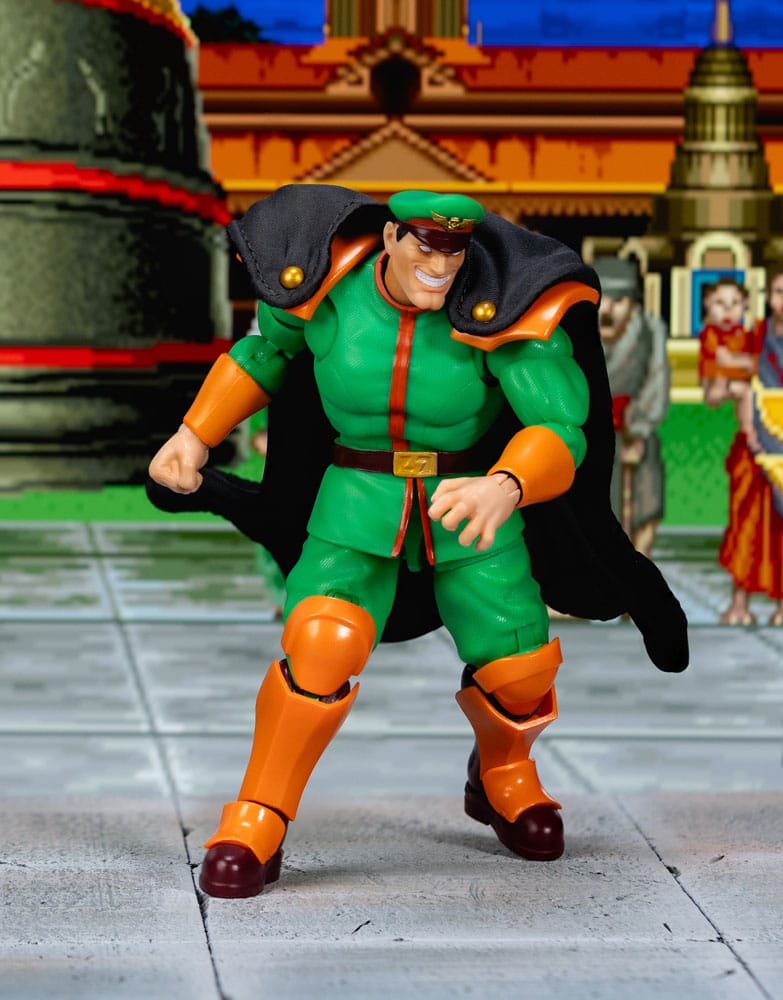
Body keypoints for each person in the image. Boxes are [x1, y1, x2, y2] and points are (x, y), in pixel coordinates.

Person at [148, 184, 688, 899]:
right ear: (391, 239)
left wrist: (507, 485)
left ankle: (502, 772)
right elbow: (263, 356)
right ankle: (258, 813)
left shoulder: (500, 306)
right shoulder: (327, 291)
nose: (441, 265)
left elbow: (559, 427)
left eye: (454, 250)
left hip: (468, 509)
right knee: (321, 644)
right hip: (356, 507)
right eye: (426, 247)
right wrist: (194, 433)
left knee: (521, 669)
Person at [592, 256, 670, 559]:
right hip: (589, 433)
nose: (608, 310)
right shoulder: (576, 331)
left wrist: (638, 428)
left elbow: (656, 379)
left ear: (633, 304)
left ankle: (638, 569)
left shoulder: (650, 330)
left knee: (643, 504)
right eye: (603, 301)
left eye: (619, 301)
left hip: (634, 429)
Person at [718, 266, 783, 625]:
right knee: (746, 524)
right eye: (779, 292)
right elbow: (728, 382)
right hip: (755, 441)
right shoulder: (753, 336)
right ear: (768, 297)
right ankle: (739, 603)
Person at [698, 276, 757, 408]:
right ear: (707, 303)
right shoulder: (709, 333)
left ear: (745, 304)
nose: (728, 310)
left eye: (735, 303)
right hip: (714, 381)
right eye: (720, 303)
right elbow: (722, 360)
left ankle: (746, 421)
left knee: (747, 392)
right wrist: (744, 362)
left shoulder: (744, 334)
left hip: (737, 380)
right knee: (720, 380)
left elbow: (755, 363)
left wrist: (742, 362)